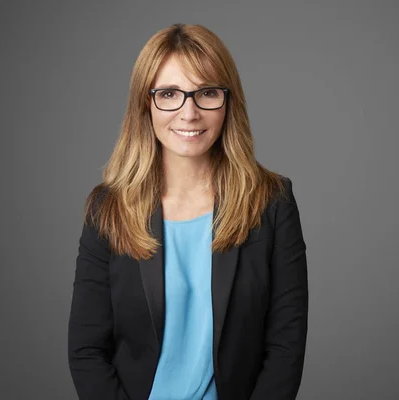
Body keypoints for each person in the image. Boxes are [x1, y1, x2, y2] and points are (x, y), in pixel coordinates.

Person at [68, 23, 308, 400]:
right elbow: (86, 351)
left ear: (228, 102)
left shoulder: (272, 202)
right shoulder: (107, 210)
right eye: (169, 94)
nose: (189, 112)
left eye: (207, 93)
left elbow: (285, 347)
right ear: (144, 104)